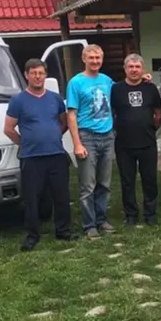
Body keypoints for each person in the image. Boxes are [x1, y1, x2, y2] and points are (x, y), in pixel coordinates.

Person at [4, 59, 76, 251]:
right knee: (32, 199)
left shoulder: (55, 99)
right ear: (26, 75)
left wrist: (52, 136)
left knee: (61, 195)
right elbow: (9, 129)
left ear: (45, 75)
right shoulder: (18, 100)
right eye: (34, 73)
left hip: (56, 154)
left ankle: (63, 230)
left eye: (41, 73)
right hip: (31, 158)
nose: (38, 76)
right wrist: (25, 143)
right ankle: (32, 235)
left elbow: (63, 123)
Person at [67, 44, 116, 239]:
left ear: (102, 59)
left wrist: (143, 79)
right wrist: (77, 143)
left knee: (104, 183)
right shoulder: (76, 83)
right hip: (87, 137)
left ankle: (102, 220)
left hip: (107, 136)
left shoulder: (107, 81)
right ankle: (89, 225)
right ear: (84, 59)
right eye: (91, 58)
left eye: (98, 58)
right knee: (88, 185)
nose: (95, 61)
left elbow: (123, 90)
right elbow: (71, 114)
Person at [111, 54, 161, 227]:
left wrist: (152, 127)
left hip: (147, 142)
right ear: (125, 69)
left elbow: (158, 112)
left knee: (150, 180)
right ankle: (131, 215)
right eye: (131, 67)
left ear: (142, 69)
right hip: (124, 144)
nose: (134, 70)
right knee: (127, 181)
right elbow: (111, 112)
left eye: (137, 67)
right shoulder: (116, 89)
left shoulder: (150, 88)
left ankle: (150, 214)